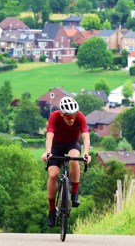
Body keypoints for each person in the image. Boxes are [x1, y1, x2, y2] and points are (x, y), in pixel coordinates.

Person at [42, 96, 91, 227]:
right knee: (53, 175)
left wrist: (86, 153)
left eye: (74, 116)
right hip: (56, 147)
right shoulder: (54, 117)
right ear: (62, 114)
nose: (72, 119)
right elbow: (49, 136)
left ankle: (74, 193)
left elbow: (85, 137)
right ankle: (52, 210)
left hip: (72, 144)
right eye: (68, 117)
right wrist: (48, 152)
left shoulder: (80, 117)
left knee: (74, 159)